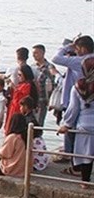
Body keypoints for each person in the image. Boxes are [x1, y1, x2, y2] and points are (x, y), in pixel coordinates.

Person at [52, 34, 94, 162]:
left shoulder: (79, 61)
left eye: (78, 48)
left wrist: (67, 47)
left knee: (73, 133)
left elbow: (56, 58)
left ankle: (72, 159)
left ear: (84, 49)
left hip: (78, 101)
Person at [57, 56, 94, 189]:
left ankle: (85, 182)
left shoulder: (78, 87)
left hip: (84, 126)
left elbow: (73, 109)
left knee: (85, 155)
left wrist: (66, 125)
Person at [5, 64, 39, 131]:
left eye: (20, 75)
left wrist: (14, 87)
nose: (18, 77)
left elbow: (23, 97)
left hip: (18, 109)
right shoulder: (20, 84)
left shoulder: (28, 85)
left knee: (14, 127)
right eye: (18, 75)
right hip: (13, 107)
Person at [32, 44, 55, 128]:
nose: (34, 55)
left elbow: (52, 85)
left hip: (42, 100)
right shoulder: (32, 67)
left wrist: (50, 101)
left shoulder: (49, 67)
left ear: (43, 53)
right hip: (32, 99)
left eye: (36, 53)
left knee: (38, 123)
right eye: (33, 53)